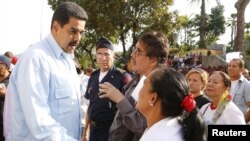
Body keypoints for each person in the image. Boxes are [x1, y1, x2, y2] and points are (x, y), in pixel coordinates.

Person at [4, 2, 88, 140]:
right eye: (73, 31)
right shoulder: (36, 59)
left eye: (81, 33)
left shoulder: (66, 60)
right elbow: (39, 122)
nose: (78, 39)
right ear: (55, 27)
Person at [99, 31, 168, 141]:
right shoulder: (136, 79)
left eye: (139, 52)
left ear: (153, 60)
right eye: (134, 50)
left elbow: (144, 128)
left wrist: (120, 99)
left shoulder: (162, 89)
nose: (132, 55)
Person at [136, 67, 207, 141]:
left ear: (153, 98)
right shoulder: (174, 127)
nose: (139, 90)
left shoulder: (158, 137)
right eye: (190, 80)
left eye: (144, 84)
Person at [82, 37, 132, 141]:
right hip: (93, 132)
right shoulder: (93, 76)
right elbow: (90, 105)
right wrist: (85, 132)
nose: (103, 58)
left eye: (107, 54)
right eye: (100, 54)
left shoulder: (123, 77)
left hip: (112, 133)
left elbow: (130, 110)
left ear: (113, 56)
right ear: (96, 56)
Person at [227, 58, 250, 123]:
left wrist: (242, 122)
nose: (230, 68)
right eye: (229, 66)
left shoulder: (246, 85)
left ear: (241, 69)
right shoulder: (225, 83)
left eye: (234, 66)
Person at [0, 55, 11, 141]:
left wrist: (7, 93)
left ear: (6, 66)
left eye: (0, 65)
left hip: (8, 122)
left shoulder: (14, 79)